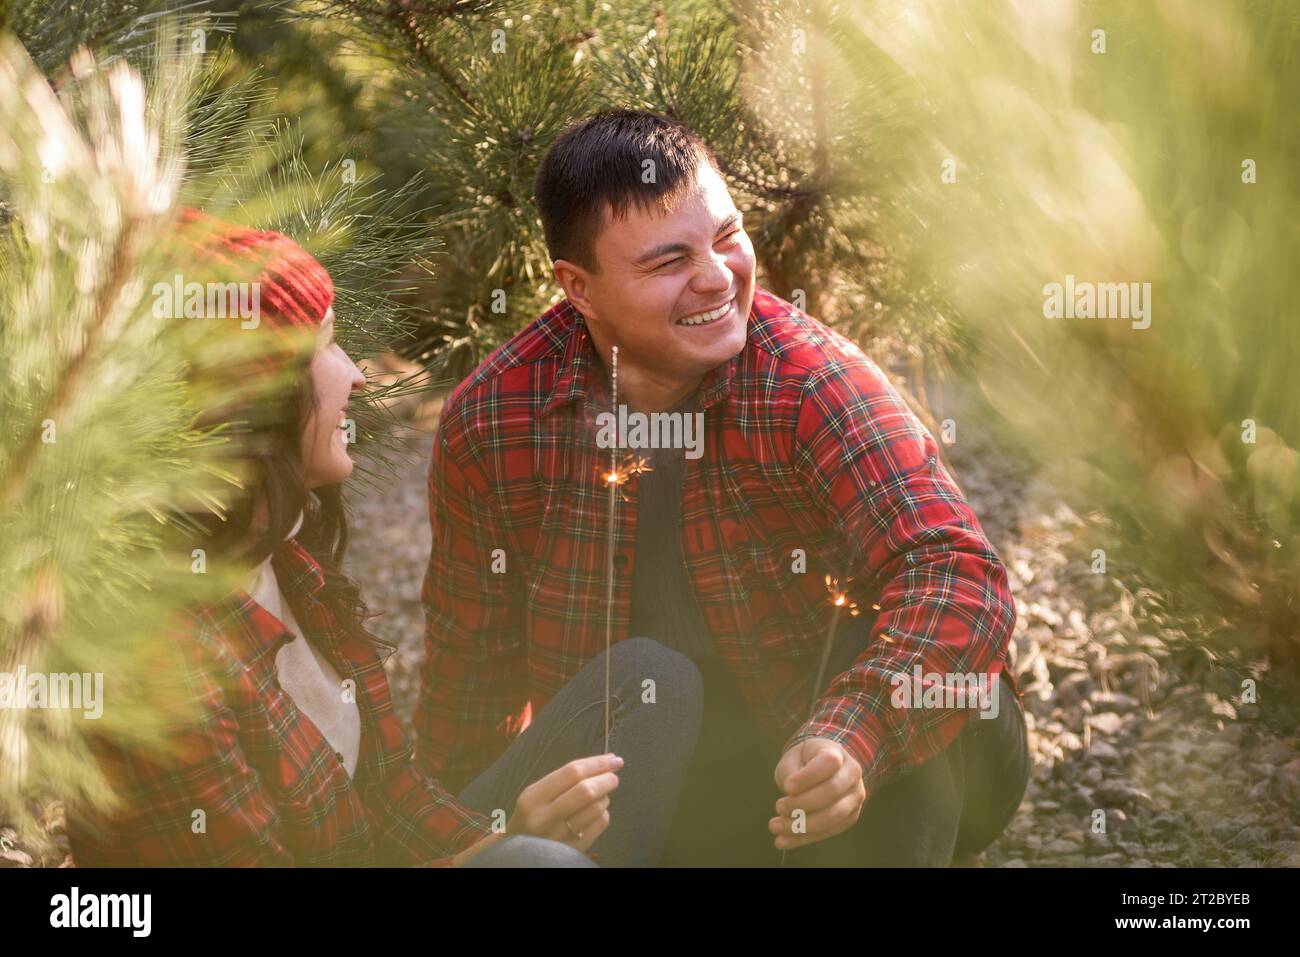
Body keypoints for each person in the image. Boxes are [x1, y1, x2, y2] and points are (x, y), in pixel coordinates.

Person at [415, 110, 1030, 866]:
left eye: (728, 236)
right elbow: (470, 670)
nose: (717, 276)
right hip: (679, 787)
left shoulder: (808, 379)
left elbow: (955, 568)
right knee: (654, 678)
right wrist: (467, 831)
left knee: (941, 677)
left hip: (843, 752)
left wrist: (855, 734)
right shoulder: (494, 419)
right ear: (579, 287)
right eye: (668, 261)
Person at [67, 209, 702, 868]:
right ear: (252, 396)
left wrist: (495, 839)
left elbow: (393, 795)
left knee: (650, 681)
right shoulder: (162, 664)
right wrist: (501, 850)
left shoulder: (285, 563)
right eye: (328, 346)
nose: (357, 376)